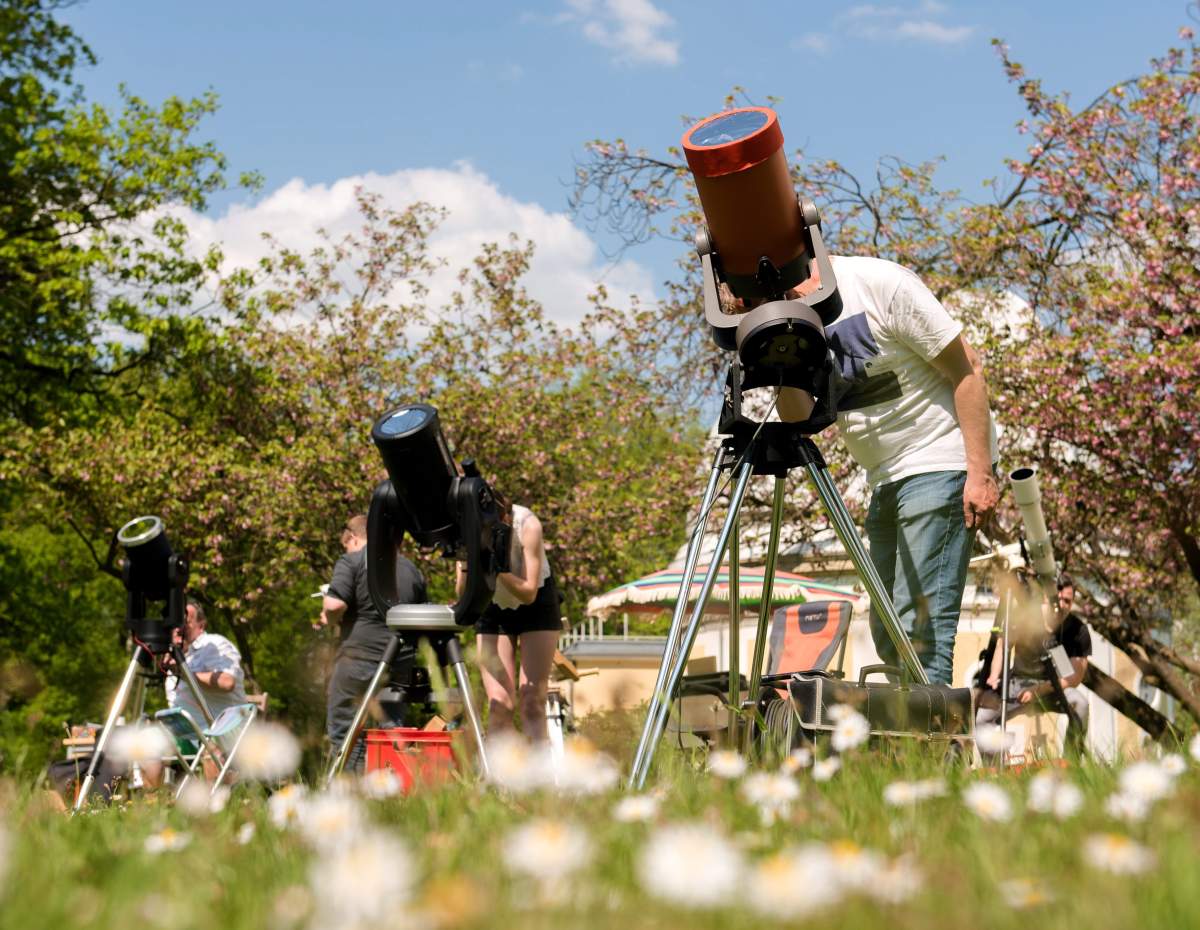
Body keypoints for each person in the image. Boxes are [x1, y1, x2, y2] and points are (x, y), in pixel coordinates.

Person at [772, 255, 999, 685]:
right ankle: (909, 744)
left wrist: (980, 473)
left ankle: (931, 747)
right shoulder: (792, 320)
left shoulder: (880, 284)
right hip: (885, 479)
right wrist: (778, 353)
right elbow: (797, 414)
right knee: (887, 629)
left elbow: (967, 368)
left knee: (919, 629)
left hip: (939, 461)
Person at [320, 514, 426, 771]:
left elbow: (334, 604)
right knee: (391, 731)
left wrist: (330, 618)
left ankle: (350, 797)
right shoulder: (411, 569)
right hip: (399, 661)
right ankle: (396, 796)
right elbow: (423, 618)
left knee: (347, 732)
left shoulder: (353, 560)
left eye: (347, 544)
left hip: (359, 657)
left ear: (354, 539)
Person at [467, 496, 562, 742]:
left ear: (507, 518)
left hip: (536, 602)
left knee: (532, 701)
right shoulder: (467, 527)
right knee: (499, 704)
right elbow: (461, 592)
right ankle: (501, 777)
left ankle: (537, 778)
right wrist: (468, 565)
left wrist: (495, 569)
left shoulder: (528, 525)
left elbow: (529, 592)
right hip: (493, 603)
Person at [977, 573, 1091, 753]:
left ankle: (1072, 761)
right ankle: (993, 768)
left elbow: (1073, 677)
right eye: (1058, 599)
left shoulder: (1077, 631)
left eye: (1067, 601)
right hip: (1018, 684)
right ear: (1046, 597)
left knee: (1081, 705)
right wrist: (993, 676)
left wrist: (1038, 690)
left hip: (1054, 688)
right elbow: (1002, 645)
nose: (1061, 605)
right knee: (981, 718)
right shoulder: (1026, 617)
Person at [165, 599, 248, 724]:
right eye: (174, 623)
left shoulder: (214, 643)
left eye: (184, 622)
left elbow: (227, 682)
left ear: (201, 625)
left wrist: (183, 673)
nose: (178, 628)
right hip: (187, 735)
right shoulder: (178, 655)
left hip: (221, 734)